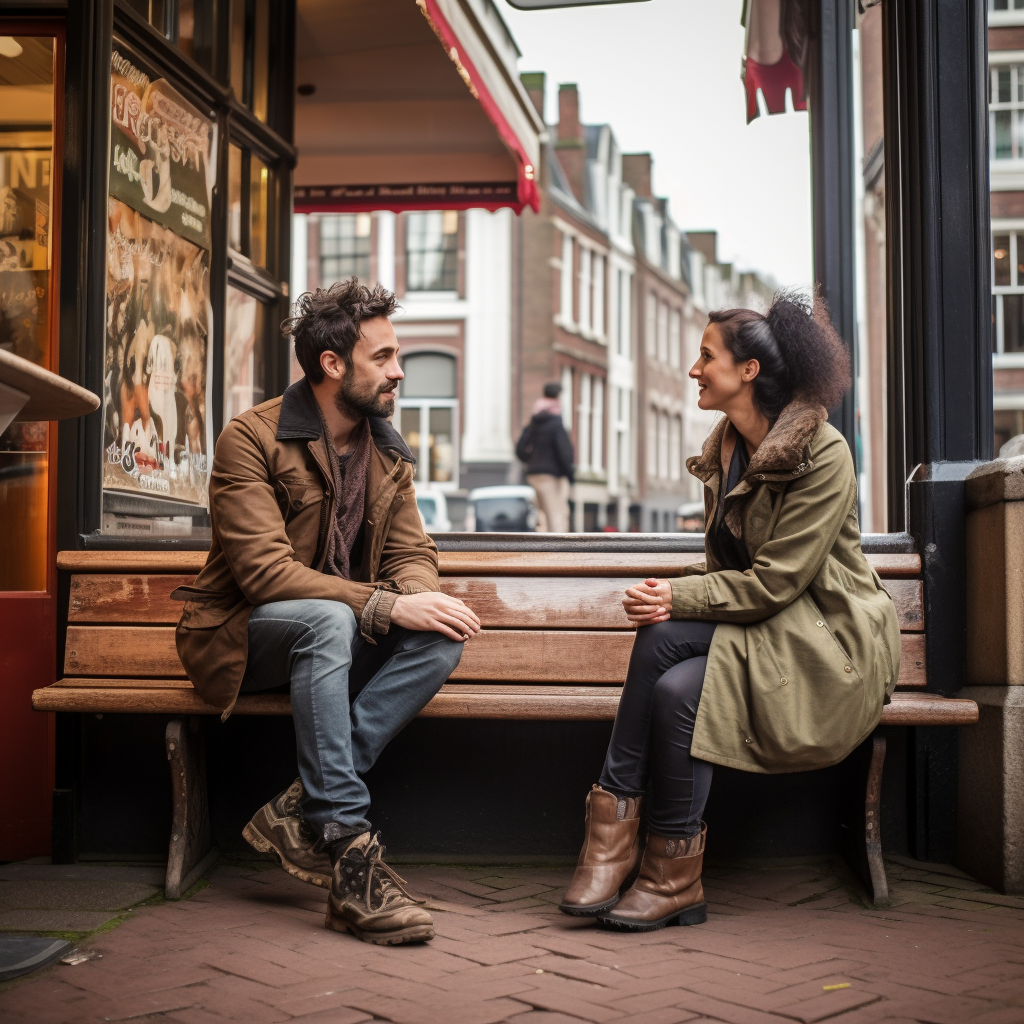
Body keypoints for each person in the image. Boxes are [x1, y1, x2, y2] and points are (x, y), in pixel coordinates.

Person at [560, 292, 901, 933]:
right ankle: (664, 873)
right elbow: (729, 575)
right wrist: (673, 589)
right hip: (773, 629)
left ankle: (633, 855)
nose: (694, 369)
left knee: (670, 661)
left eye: (706, 356)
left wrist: (676, 596)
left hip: (828, 644)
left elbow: (778, 581)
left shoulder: (822, 453)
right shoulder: (729, 451)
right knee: (676, 683)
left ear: (747, 372)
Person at [173, 278, 481, 945]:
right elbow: (265, 574)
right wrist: (384, 605)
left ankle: (298, 810)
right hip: (240, 640)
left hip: (332, 639)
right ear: (332, 364)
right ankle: (347, 844)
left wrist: (415, 598)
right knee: (328, 617)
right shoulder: (251, 439)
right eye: (384, 357)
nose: (398, 371)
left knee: (442, 633)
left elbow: (411, 554)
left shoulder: (388, 453)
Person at [516, 381, 575, 532]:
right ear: (558, 397)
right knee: (557, 514)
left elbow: (520, 448)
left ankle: (542, 550)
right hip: (551, 476)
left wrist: (531, 461)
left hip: (534, 474)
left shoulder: (534, 420)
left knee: (542, 515)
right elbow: (564, 451)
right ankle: (558, 552)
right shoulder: (555, 421)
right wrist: (570, 475)